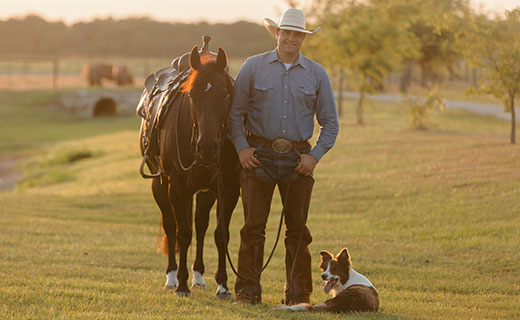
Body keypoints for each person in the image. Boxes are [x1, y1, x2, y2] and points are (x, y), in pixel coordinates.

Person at [228, 8, 339, 305]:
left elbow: (331, 123)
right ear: (277, 34)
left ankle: (298, 295)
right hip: (258, 157)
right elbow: (235, 114)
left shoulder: (317, 73)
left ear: (303, 38)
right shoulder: (253, 67)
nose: (291, 38)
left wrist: (313, 157)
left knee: (298, 231)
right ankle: (247, 293)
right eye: (286, 32)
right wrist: (241, 148)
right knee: (252, 228)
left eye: (297, 34)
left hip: (297, 161)